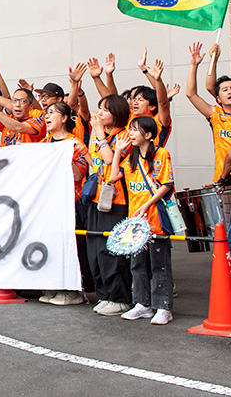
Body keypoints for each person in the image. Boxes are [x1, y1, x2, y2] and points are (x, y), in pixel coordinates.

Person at [109, 116, 175, 325]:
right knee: (137, 265)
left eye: (135, 129)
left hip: (155, 219)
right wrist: (118, 151)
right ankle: (142, 304)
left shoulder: (161, 154)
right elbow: (113, 176)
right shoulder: (131, 158)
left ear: (148, 134)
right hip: (136, 222)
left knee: (159, 265)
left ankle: (163, 307)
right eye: (130, 129)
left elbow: (166, 184)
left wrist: (147, 205)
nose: (131, 133)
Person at [39, 102, 93, 305]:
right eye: (46, 113)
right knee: (52, 245)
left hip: (71, 203)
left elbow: (78, 175)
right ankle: (53, 286)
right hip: (48, 203)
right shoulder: (44, 143)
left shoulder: (75, 143)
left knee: (71, 246)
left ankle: (73, 291)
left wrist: (65, 156)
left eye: (52, 113)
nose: (47, 116)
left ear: (64, 118)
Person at [87, 94, 134, 316]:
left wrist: (99, 133)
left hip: (117, 201)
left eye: (105, 109)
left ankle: (120, 298)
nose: (100, 113)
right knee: (96, 252)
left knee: (112, 251)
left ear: (117, 113)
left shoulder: (125, 136)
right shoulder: (100, 135)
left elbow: (109, 159)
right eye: (100, 108)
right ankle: (104, 294)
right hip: (97, 198)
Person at [185, 42, 231, 185]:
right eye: (225, 90)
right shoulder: (216, 114)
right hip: (223, 179)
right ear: (218, 99)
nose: (230, 91)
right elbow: (191, 94)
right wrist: (194, 65)